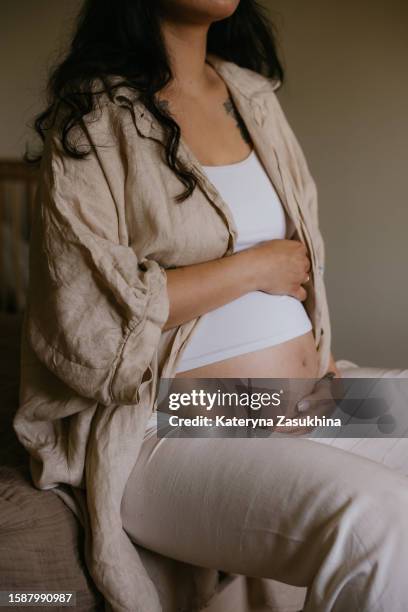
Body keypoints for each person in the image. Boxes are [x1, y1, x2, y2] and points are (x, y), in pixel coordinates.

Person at [16, 1, 408, 611]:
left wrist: (314, 355)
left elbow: (304, 262)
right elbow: (81, 320)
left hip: (297, 404)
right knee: (376, 523)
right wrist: (251, 268)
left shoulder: (250, 96)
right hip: (178, 418)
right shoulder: (95, 114)